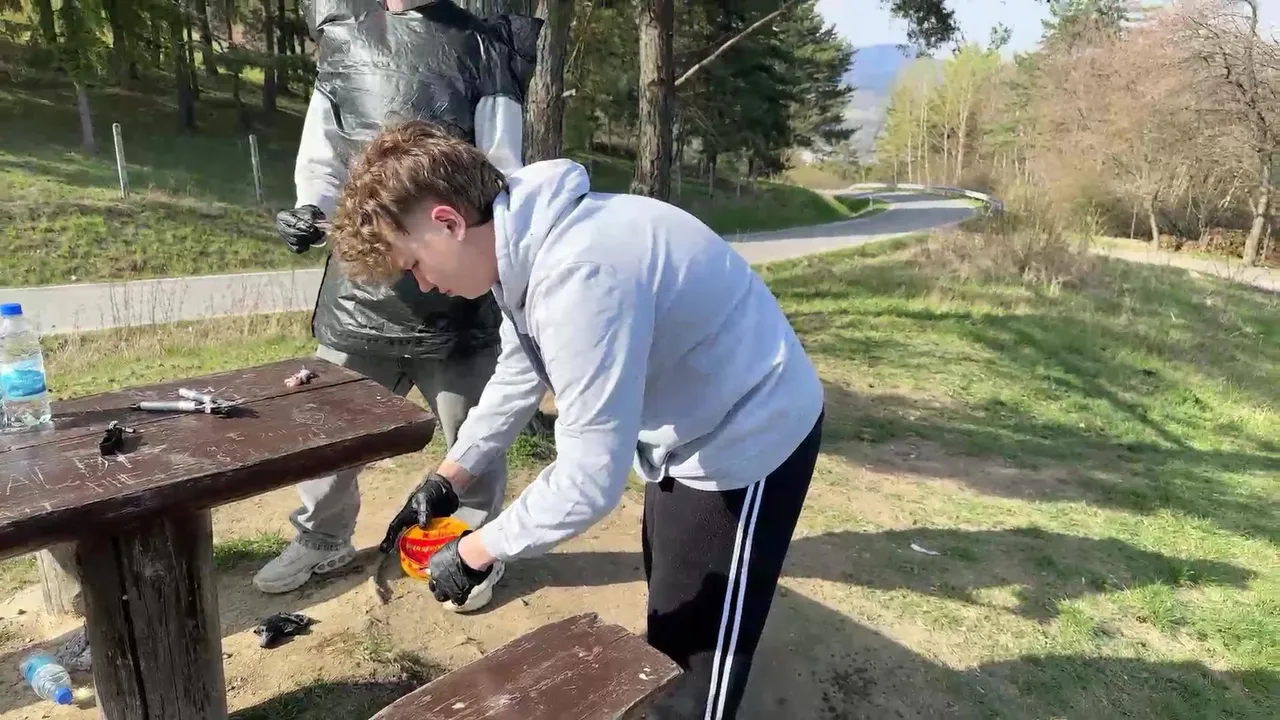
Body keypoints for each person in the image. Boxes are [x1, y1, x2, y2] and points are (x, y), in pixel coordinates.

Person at [330, 120, 826, 719]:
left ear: (448, 221)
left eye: (414, 263)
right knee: (671, 599)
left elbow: (589, 481)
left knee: (701, 659)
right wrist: (450, 477)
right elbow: (522, 369)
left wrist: (477, 551)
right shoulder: (525, 244)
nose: (424, 284)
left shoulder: (580, 275)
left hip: (748, 433)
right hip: (686, 429)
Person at [255, 0, 542, 606]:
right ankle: (322, 538)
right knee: (330, 428)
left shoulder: (482, 46)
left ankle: (470, 550)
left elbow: (499, 170)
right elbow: (324, 152)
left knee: (471, 436)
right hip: (361, 293)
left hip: (456, 291)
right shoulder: (343, 39)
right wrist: (310, 208)